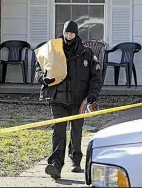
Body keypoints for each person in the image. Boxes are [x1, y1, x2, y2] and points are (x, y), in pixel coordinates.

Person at [34, 21, 102, 179]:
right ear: (63, 33)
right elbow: (38, 69)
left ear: (76, 34)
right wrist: (44, 79)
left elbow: (96, 77)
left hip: (79, 99)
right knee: (58, 132)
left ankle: (76, 161)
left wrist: (92, 94)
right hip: (58, 98)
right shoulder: (53, 50)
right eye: (66, 33)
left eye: (71, 33)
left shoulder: (86, 53)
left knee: (77, 131)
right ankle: (55, 165)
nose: (68, 36)